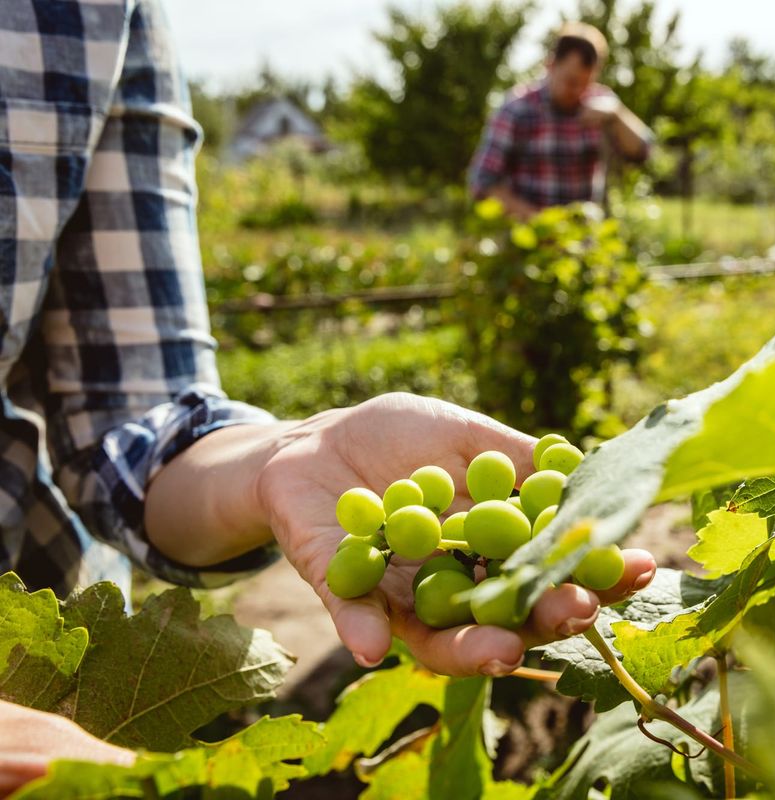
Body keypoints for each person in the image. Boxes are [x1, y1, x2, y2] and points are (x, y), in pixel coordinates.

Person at [0, 1, 656, 793]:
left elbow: (130, 418)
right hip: (525, 256)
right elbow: (485, 185)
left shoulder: (93, 15)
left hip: (28, 639)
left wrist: (286, 456)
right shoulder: (517, 112)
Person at [468, 22, 655, 219]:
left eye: (586, 83)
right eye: (571, 81)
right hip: (527, 240)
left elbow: (643, 153)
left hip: (584, 241)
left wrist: (617, 114)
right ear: (550, 65)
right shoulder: (517, 108)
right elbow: (483, 182)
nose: (578, 91)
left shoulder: (601, 105)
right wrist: (541, 223)